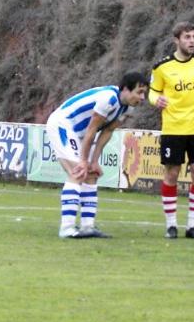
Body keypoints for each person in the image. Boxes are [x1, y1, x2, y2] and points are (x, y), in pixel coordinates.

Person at [46, 72, 149, 238]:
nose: (143, 97)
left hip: (80, 133)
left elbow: (107, 131)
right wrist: (83, 161)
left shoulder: (127, 107)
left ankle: (88, 227)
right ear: (125, 90)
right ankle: (67, 228)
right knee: (78, 172)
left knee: (92, 174)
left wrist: (94, 161)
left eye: (144, 93)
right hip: (63, 125)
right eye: (139, 92)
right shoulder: (109, 99)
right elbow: (91, 130)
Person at [149, 21, 194, 240]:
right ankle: (171, 226)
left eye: (193, 37)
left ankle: (193, 226)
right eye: (187, 37)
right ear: (176, 40)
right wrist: (156, 100)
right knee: (171, 173)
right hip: (173, 129)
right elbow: (153, 92)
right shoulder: (162, 67)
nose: (191, 41)